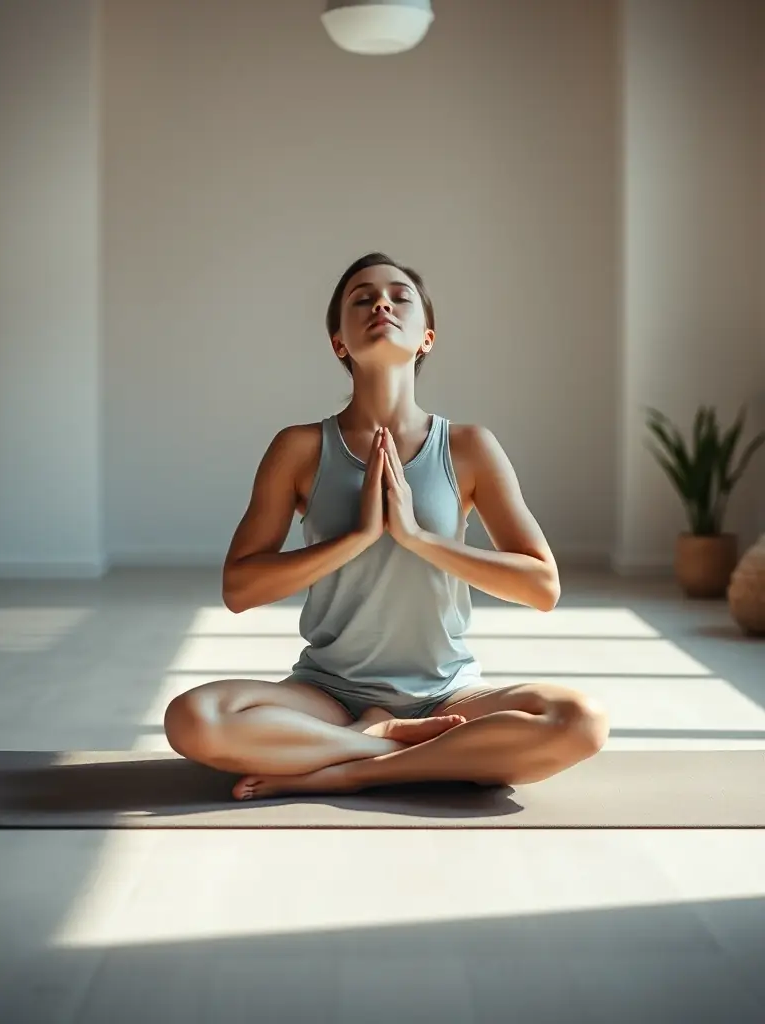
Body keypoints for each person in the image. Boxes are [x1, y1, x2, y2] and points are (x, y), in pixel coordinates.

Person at [164, 252, 609, 800]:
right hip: (327, 694)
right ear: (339, 343)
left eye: (400, 297)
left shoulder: (470, 447)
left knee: (579, 721)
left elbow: (542, 587)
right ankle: (395, 744)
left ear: (426, 337)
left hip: (447, 694)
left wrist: (418, 539)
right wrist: (357, 539)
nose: (381, 303)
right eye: (362, 298)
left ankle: (353, 767)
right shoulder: (299, 448)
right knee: (193, 718)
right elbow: (239, 589)